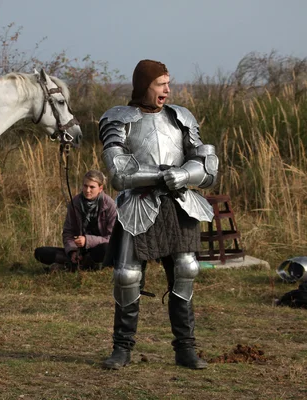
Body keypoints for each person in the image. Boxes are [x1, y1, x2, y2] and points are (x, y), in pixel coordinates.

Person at [98, 60, 219, 370]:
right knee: (127, 275)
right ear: (144, 87)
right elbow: (118, 172)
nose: (167, 89)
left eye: (168, 82)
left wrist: (183, 175)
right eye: (160, 84)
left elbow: (207, 167)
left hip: (178, 202)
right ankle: (122, 348)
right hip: (137, 204)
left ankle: (186, 350)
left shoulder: (181, 118)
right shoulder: (118, 119)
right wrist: (161, 174)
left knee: (186, 270)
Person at [34, 170, 117, 272]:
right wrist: (72, 251)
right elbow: (68, 232)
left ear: (100, 188)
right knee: (40, 252)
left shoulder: (110, 205)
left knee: (106, 249)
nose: (87, 190)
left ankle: (73, 266)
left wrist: (87, 240)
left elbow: (112, 238)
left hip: (99, 249)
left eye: (92, 187)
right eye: (85, 186)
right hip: (80, 250)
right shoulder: (75, 203)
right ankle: (79, 263)